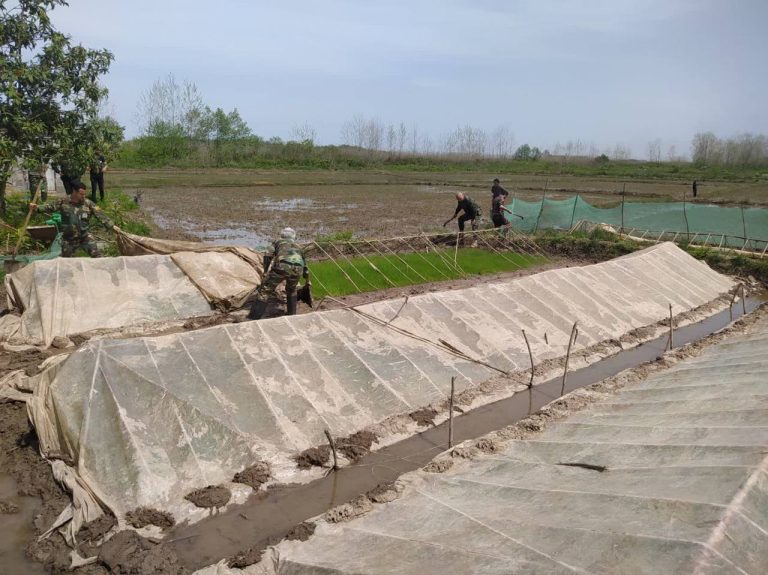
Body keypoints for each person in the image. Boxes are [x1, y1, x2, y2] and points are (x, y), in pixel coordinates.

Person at [30, 180, 119, 257]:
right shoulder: (62, 202)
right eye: (81, 194)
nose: (83, 196)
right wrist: (36, 208)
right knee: (67, 263)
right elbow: (49, 207)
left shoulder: (88, 203)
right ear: (74, 192)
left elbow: (101, 215)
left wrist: (112, 226)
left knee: (98, 257)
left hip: (84, 237)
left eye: (84, 194)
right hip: (68, 239)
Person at [248, 227, 309, 320]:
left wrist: (265, 270)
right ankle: (291, 315)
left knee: (265, 290)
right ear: (293, 237)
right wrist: (306, 277)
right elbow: (305, 263)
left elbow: (268, 255)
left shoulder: (278, 242)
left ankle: (253, 318)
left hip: (282, 266)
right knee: (291, 290)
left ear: (282, 235)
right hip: (298, 268)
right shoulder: (298, 246)